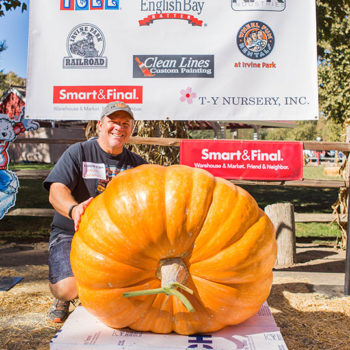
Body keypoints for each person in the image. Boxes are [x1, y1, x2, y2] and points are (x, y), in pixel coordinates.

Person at [43, 101, 147, 323]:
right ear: (100, 125)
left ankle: (94, 293)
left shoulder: (138, 166)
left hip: (117, 239)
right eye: (113, 121)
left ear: (131, 129)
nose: (119, 127)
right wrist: (74, 209)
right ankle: (64, 296)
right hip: (72, 233)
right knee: (68, 288)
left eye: (125, 123)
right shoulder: (78, 152)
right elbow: (56, 190)